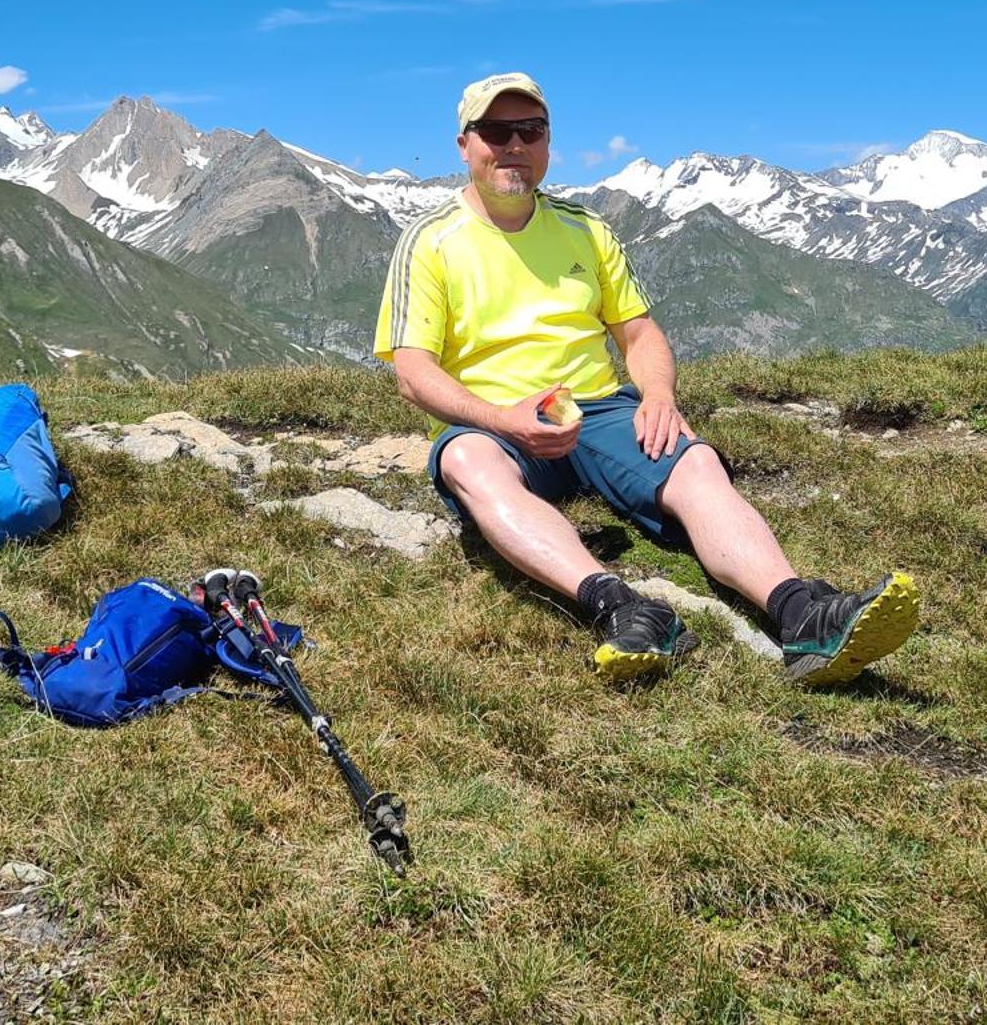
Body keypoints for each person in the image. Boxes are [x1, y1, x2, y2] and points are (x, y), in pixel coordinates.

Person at [376, 72, 919, 684]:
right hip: (492, 422)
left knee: (696, 464)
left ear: (548, 142)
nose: (515, 146)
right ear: (465, 144)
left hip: (597, 409)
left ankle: (803, 615)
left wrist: (658, 395)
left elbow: (640, 334)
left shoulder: (587, 230)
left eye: (531, 131)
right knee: (466, 463)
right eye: (497, 131)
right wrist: (504, 419)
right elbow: (412, 373)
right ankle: (621, 607)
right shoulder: (431, 241)